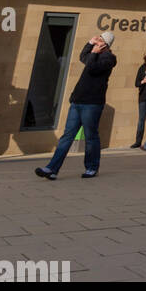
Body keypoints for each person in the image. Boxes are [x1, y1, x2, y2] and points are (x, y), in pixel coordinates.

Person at [34, 31, 117, 180]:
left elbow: (92, 68)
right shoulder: (95, 53)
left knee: (91, 136)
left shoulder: (109, 58)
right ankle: (52, 169)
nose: (96, 40)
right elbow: (82, 57)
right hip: (78, 101)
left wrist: (94, 52)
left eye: (99, 39)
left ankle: (92, 167)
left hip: (92, 103)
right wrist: (90, 44)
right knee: (67, 136)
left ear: (105, 44)